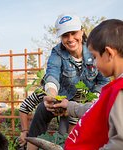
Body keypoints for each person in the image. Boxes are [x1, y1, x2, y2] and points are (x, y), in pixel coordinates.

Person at [19, 12, 109, 149]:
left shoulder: (94, 49)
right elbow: (52, 75)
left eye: (74, 33)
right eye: (65, 35)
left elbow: (104, 80)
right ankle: (31, 147)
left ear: (82, 32)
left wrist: (93, 100)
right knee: (43, 108)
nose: (70, 38)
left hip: (84, 103)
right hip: (61, 101)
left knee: (66, 136)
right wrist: (52, 96)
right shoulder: (57, 52)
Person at [44, 19, 123, 149]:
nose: (95, 64)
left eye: (95, 57)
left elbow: (119, 143)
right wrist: (69, 106)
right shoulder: (115, 88)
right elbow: (98, 109)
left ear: (109, 54)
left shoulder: (119, 91)